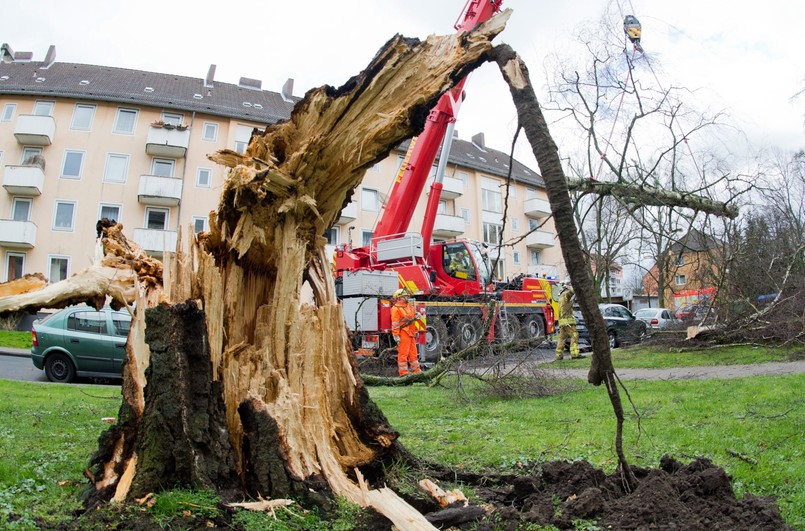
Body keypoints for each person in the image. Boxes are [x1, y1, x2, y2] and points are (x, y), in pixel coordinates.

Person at [391, 289, 423, 376]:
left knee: (413, 354)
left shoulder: (409, 306)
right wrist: (396, 335)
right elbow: (395, 323)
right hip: (403, 332)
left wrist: (417, 315)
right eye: (406, 296)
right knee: (403, 354)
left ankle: (417, 373)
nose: (408, 297)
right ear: (400, 297)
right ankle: (403, 374)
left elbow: (412, 317)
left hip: (411, 333)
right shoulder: (395, 308)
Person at [555, 279, 581, 360]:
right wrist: (573, 285)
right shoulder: (566, 294)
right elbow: (573, 291)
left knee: (562, 338)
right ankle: (575, 354)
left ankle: (559, 355)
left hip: (562, 322)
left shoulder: (561, 296)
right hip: (568, 321)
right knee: (574, 335)